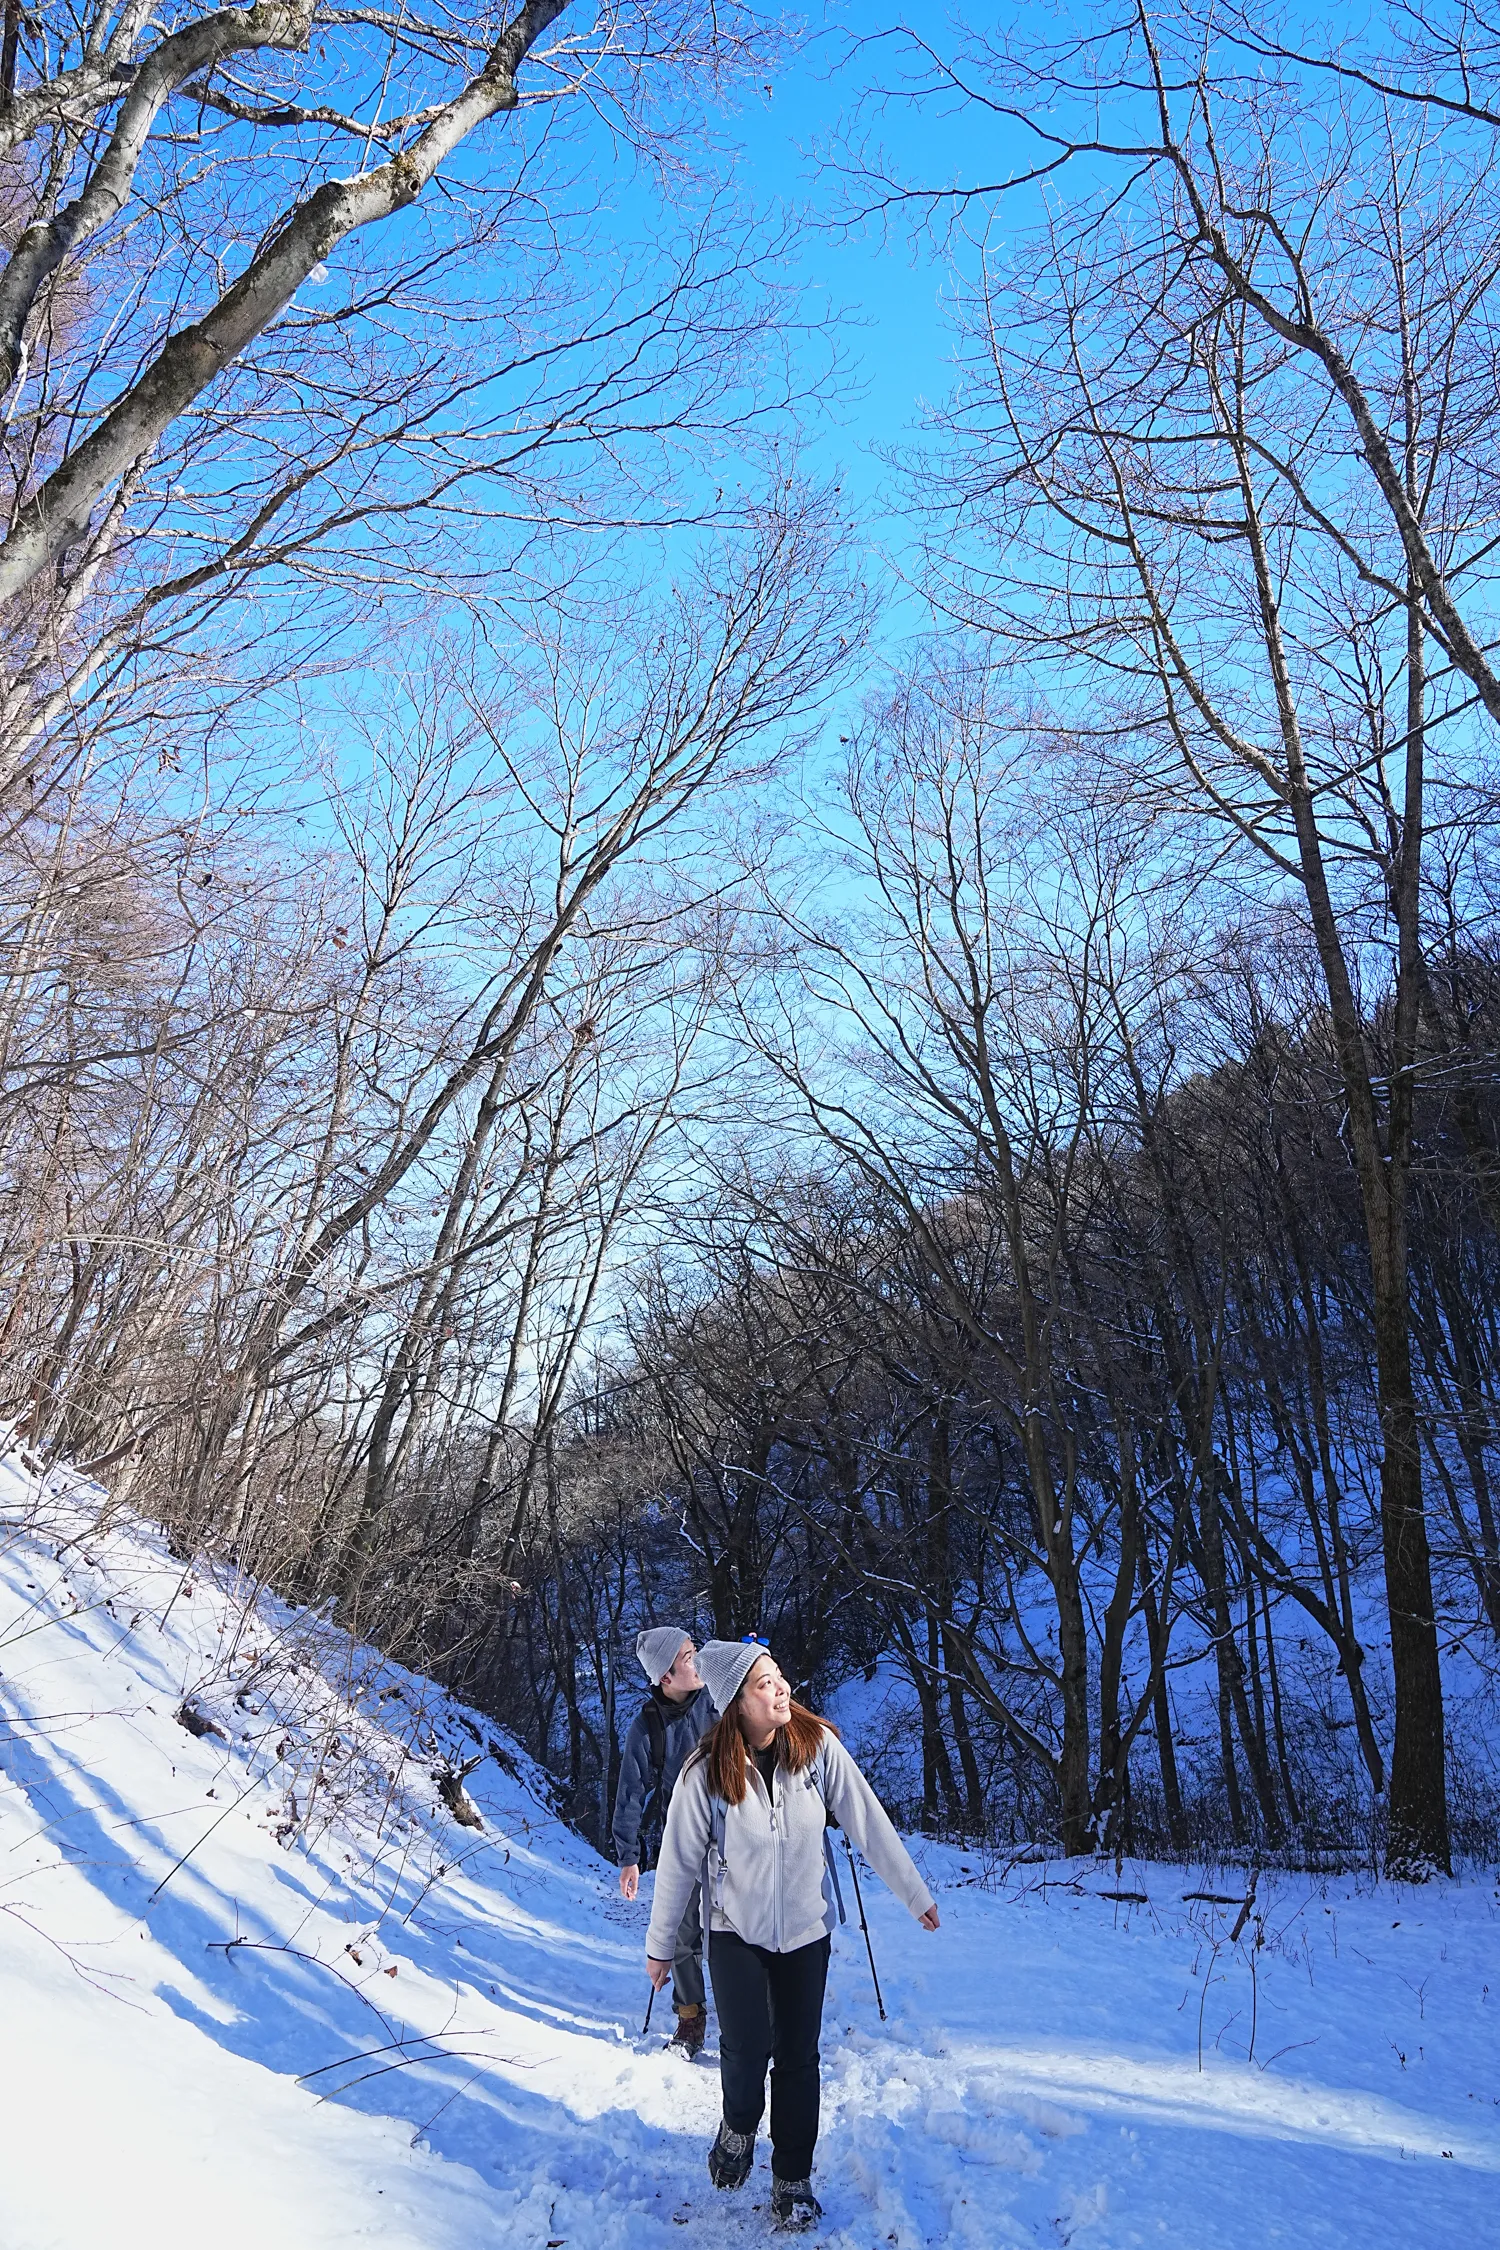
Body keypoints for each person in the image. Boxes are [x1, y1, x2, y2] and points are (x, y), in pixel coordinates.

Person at [645, 1638, 940, 2233]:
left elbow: (867, 1819)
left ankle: (792, 2179)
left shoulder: (818, 1749)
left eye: (779, 1676)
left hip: (806, 1931)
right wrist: (659, 1947)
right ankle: (738, 2125)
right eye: (765, 1683)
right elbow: (676, 1863)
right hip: (735, 1931)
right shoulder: (704, 1774)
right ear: (736, 1703)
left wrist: (915, 1894)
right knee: (746, 2048)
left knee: (799, 2057)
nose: (781, 1689)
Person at [612, 1626, 714, 2054]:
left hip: (738, 1824)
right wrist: (629, 1856)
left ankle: (758, 2014)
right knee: (682, 1930)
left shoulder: (721, 1695)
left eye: (695, 1650)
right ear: (665, 1677)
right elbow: (630, 1791)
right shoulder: (648, 1726)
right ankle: (690, 2017)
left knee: (746, 1925)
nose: (698, 1660)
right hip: (684, 1834)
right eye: (688, 1657)